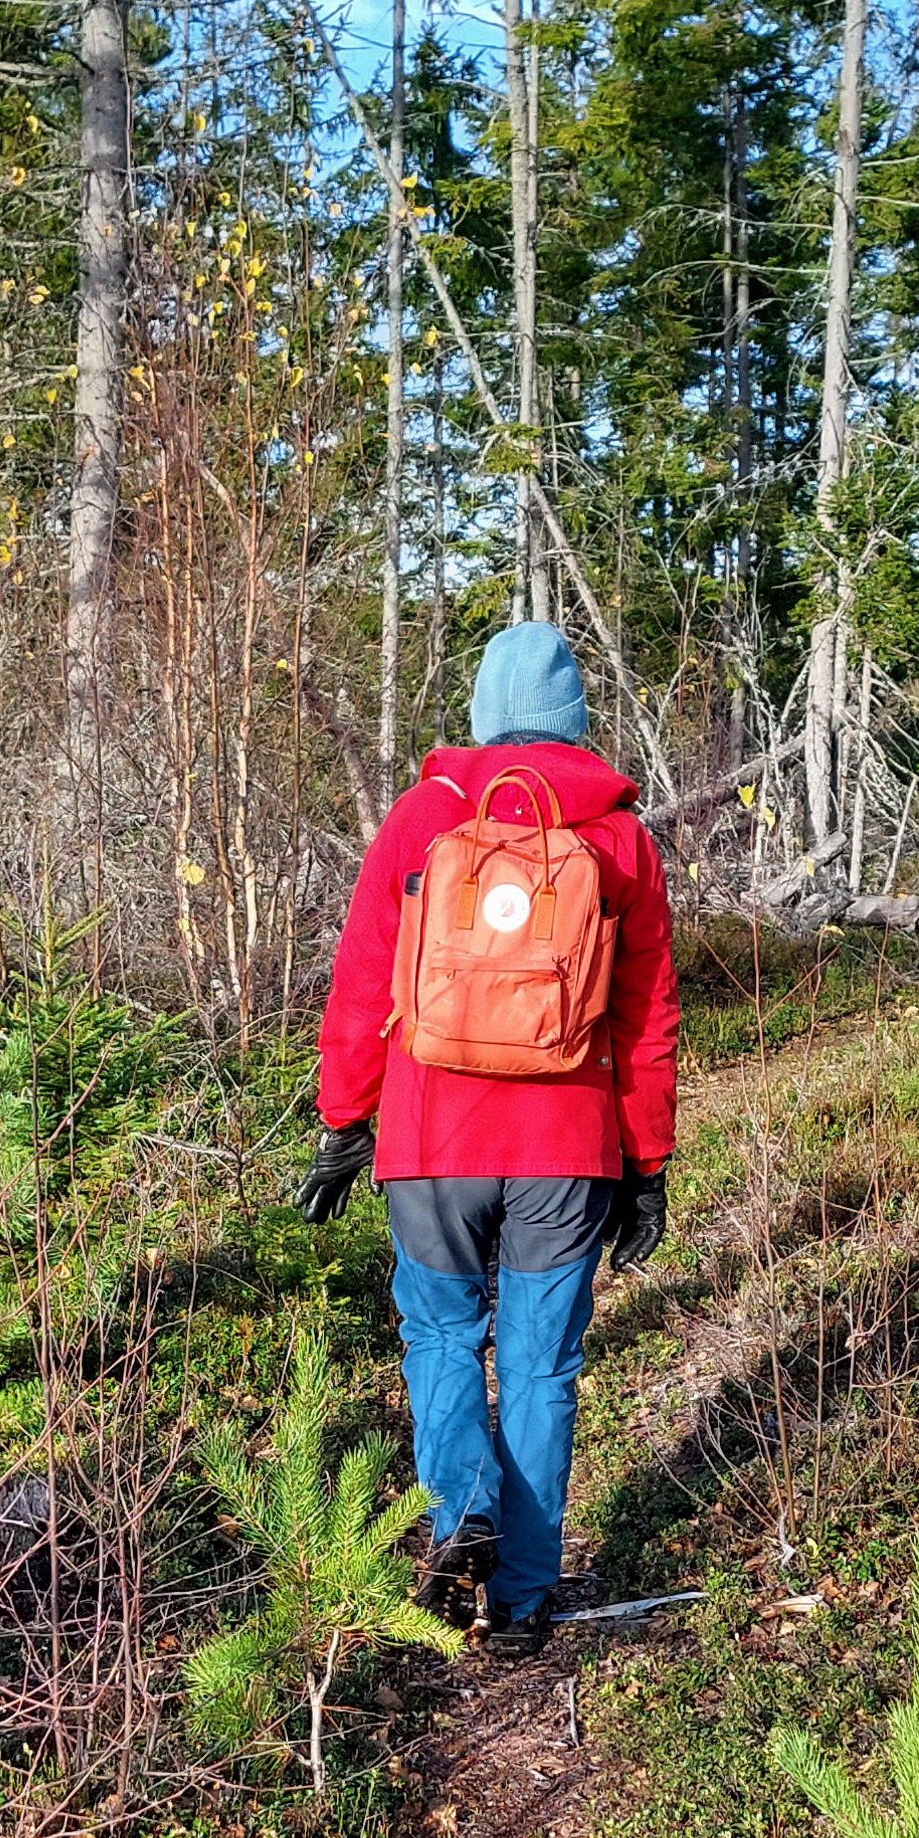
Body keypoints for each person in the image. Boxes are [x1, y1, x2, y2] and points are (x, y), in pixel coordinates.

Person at [301, 620, 679, 1633]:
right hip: (568, 1150)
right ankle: (522, 1595)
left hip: (431, 1141)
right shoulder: (620, 836)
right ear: (576, 719)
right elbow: (646, 1017)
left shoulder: (422, 818)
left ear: (478, 714)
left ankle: (463, 1507)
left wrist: (345, 1120)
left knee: (437, 1330)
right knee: (542, 1367)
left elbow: (360, 981)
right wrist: (647, 1163)